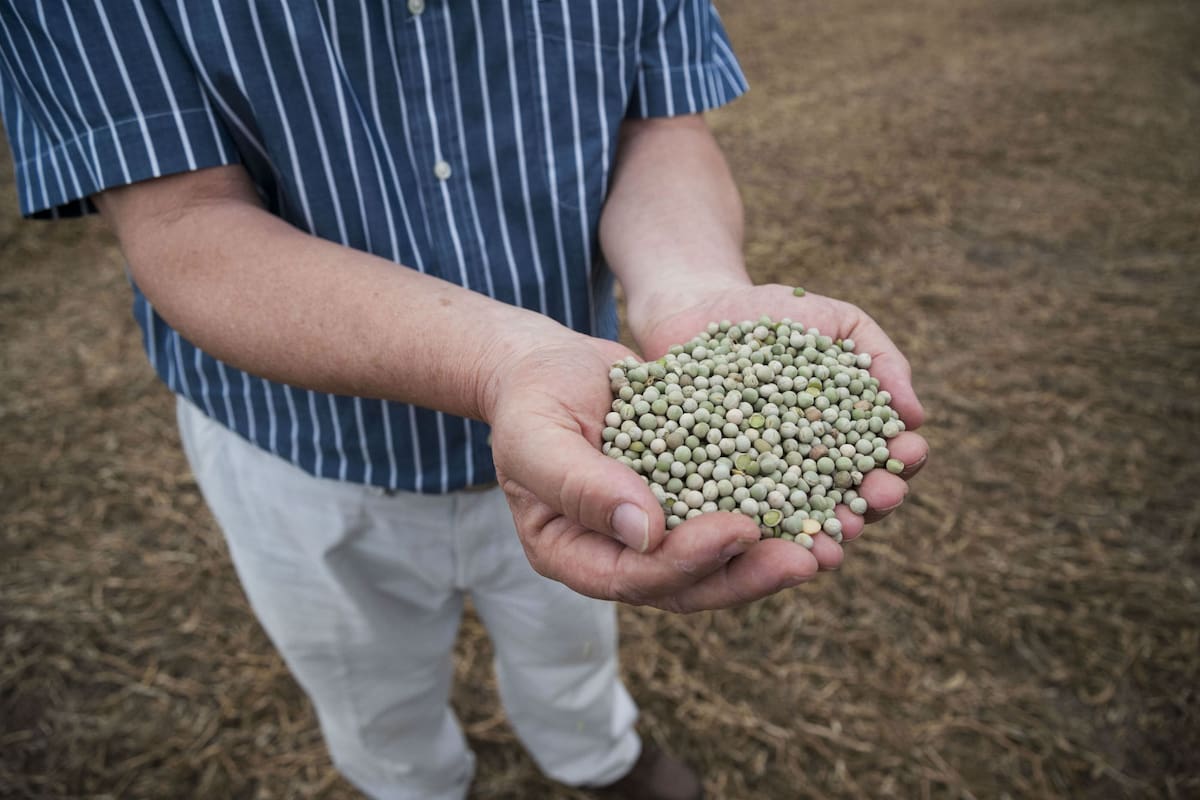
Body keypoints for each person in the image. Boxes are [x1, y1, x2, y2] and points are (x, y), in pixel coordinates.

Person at [0, 2, 927, 798]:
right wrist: (503, 362)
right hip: (302, 446)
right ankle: (412, 781)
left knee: (569, 637)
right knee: (365, 676)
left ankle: (593, 753)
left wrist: (692, 295)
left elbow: (662, 130)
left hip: (592, 437)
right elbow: (183, 222)